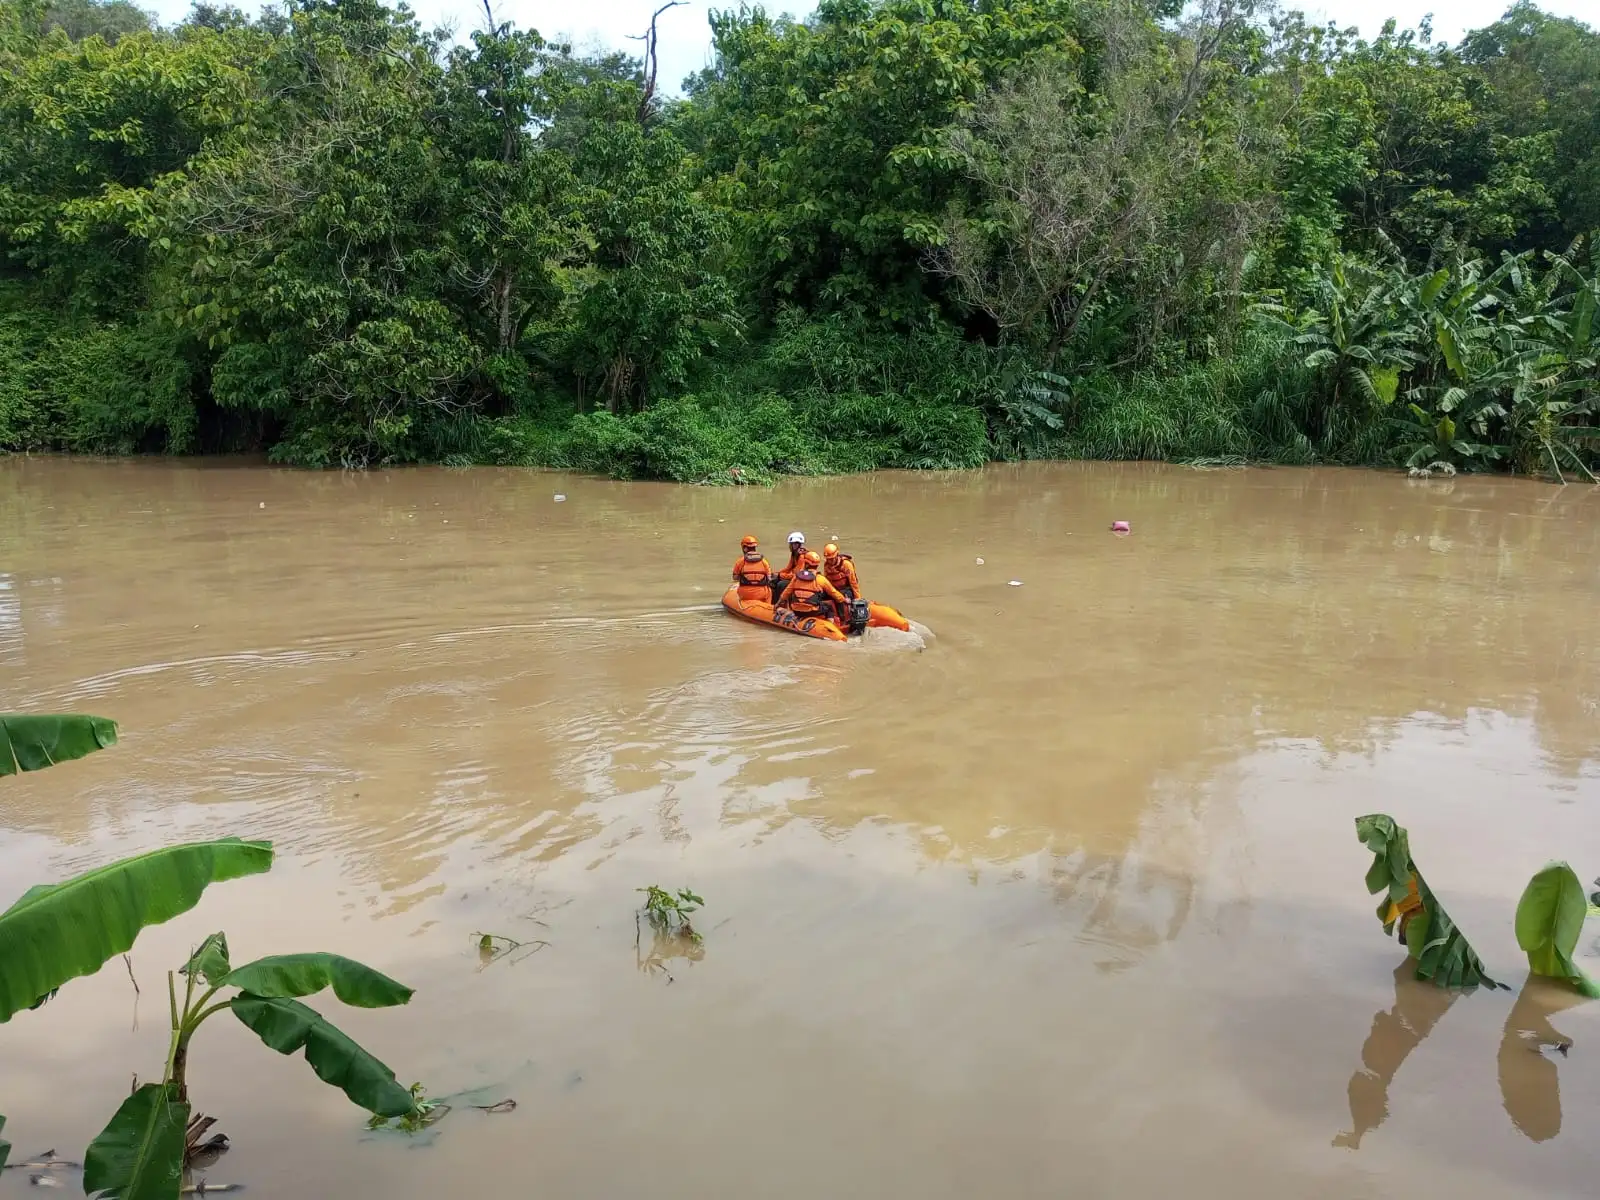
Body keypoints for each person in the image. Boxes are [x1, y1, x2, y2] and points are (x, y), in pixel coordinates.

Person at [777, 550, 848, 625]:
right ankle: (829, 625)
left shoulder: (796, 577)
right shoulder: (821, 579)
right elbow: (835, 594)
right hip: (812, 611)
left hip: (796, 610)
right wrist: (844, 599)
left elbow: (786, 592)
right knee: (829, 607)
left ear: (806, 564)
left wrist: (777, 604)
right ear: (817, 565)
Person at [732, 535, 772, 602]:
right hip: (761, 594)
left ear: (745, 548)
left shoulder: (740, 561)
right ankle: (768, 607)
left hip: (745, 594)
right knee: (769, 591)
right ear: (755, 547)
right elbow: (769, 578)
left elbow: (735, 577)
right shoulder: (764, 561)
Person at [772, 531, 808, 603]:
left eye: (791, 544)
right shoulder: (794, 554)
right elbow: (788, 568)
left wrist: (780, 575)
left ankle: (779, 604)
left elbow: (796, 576)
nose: (789, 546)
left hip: (799, 580)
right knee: (773, 581)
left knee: (781, 584)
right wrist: (776, 573)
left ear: (796, 544)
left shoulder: (801, 557)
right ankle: (772, 602)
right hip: (794, 578)